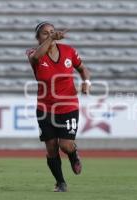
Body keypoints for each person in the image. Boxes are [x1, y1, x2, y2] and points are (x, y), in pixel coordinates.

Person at [26, 21, 91, 192]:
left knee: (65, 145)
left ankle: (73, 154)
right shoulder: (33, 53)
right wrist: (51, 39)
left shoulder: (69, 51)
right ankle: (60, 182)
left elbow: (83, 69)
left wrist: (86, 82)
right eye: (45, 33)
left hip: (68, 105)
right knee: (51, 147)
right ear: (37, 38)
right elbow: (37, 57)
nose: (50, 35)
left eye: (52, 32)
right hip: (45, 107)